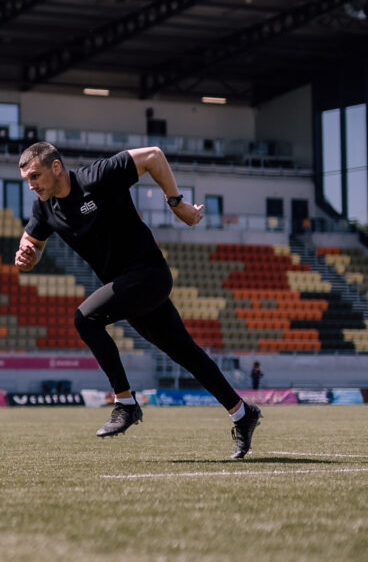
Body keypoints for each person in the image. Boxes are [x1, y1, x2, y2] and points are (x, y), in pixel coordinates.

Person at [14, 142, 261, 459]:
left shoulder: (97, 177)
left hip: (149, 275)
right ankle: (243, 414)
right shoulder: (44, 207)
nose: (32, 185)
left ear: (56, 168)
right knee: (186, 353)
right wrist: (26, 256)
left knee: (84, 318)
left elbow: (154, 156)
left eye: (36, 176)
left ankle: (125, 403)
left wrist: (176, 204)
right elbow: (30, 244)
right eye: (28, 180)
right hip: (128, 288)